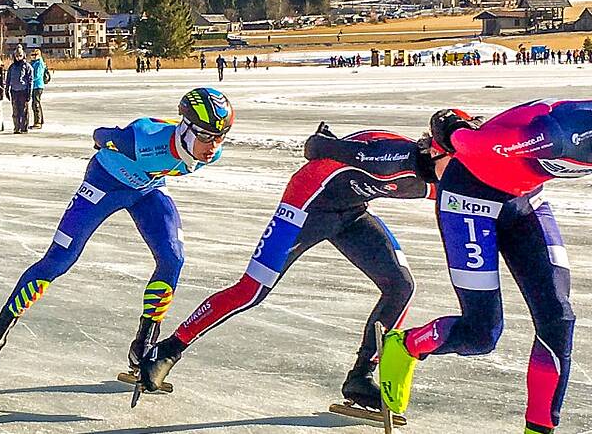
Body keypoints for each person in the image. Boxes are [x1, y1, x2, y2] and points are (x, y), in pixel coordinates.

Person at [378, 60, 592, 434]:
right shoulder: (565, 133)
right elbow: (476, 147)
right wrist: (452, 129)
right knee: (481, 333)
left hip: (522, 199)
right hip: (469, 198)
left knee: (558, 319)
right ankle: (406, 345)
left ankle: (538, 430)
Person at [134, 115, 479, 421]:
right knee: (251, 291)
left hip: (351, 211)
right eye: (461, 163)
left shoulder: (445, 178)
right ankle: (168, 349)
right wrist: (324, 140)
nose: (466, 174)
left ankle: (360, 376)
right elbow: (316, 148)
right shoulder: (393, 156)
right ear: (436, 151)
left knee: (401, 286)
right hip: (306, 205)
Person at [0, 88, 232, 390]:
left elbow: (181, 149)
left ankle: (144, 346)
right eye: (205, 136)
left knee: (173, 258)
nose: (213, 146)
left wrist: (192, 149)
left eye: (220, 137)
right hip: (104, 183)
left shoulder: (211, 152)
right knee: (59, 260)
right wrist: (104, 140)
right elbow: (100, 134)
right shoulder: (142, 138)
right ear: (185, 127)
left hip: (147, 190)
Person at [6, 50, 33, 133]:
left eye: (20, 56)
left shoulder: (27, 66)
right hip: (14, 91)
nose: (18, 58)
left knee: (24, 111)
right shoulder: (12, 67)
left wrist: (29, 92)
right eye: (17, 56)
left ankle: (24, 127)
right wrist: (7, 89)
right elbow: (8, 78)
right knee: (15, 111)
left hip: (23, 91)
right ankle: (16, 127)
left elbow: (30, 80)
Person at [29, 50, 49, 129]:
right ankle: (40, 120)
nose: (33, 56)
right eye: (32, 54)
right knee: (36, 103)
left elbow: (37, 75)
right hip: (34, 86)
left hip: (38, 85)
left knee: (36, 104)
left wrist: (29, 79)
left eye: (35, 54)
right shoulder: (33, 63)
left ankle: (38, 122)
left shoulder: (39, 63)